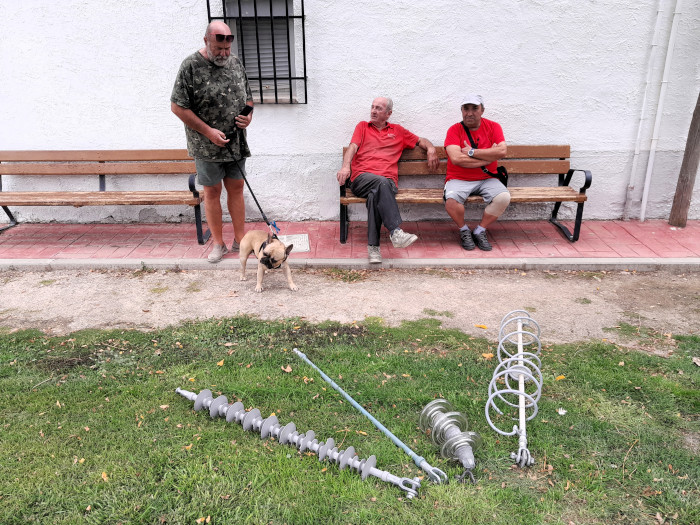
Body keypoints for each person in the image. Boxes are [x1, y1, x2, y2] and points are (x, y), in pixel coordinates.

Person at [171, 21, 254, 263]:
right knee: (212, 192)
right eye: (219, 48)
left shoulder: (236, 63)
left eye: (227, 49)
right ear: (206, 40)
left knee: (237, 189)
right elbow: (177, 106)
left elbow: (248, 98)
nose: (224, 54)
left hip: (235, 143)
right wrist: (208, 132)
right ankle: (218, 244)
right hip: (207, 146)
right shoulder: (190, 66)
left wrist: (248, 117)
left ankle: (241, 241)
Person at [336, 97, 439, 263]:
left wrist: (431, 148)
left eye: (379, 108)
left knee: (374, 196)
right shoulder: (362, 126)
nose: (373, 111)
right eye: (372, 107)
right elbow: (352, 147)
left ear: (388, 114)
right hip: (361, 179)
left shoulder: (398, 131)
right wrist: (346, 166)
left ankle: (373, 249)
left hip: (387, 183)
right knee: (380, 183)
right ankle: (395, 231)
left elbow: (421, 141)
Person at [443, 94, 509, 251]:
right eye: (466, 109)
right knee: (451, 202)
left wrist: (472, 152)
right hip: (458, 178)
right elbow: (457, 158)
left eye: (474, 108)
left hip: (487, 178)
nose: (470, 113)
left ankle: (480, 230)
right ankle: (464, 230)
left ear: (482, 110)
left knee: (503, 198)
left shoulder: (493, 127)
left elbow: (502, 150)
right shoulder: (454, 130)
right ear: (461, 111)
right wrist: (487, 158)